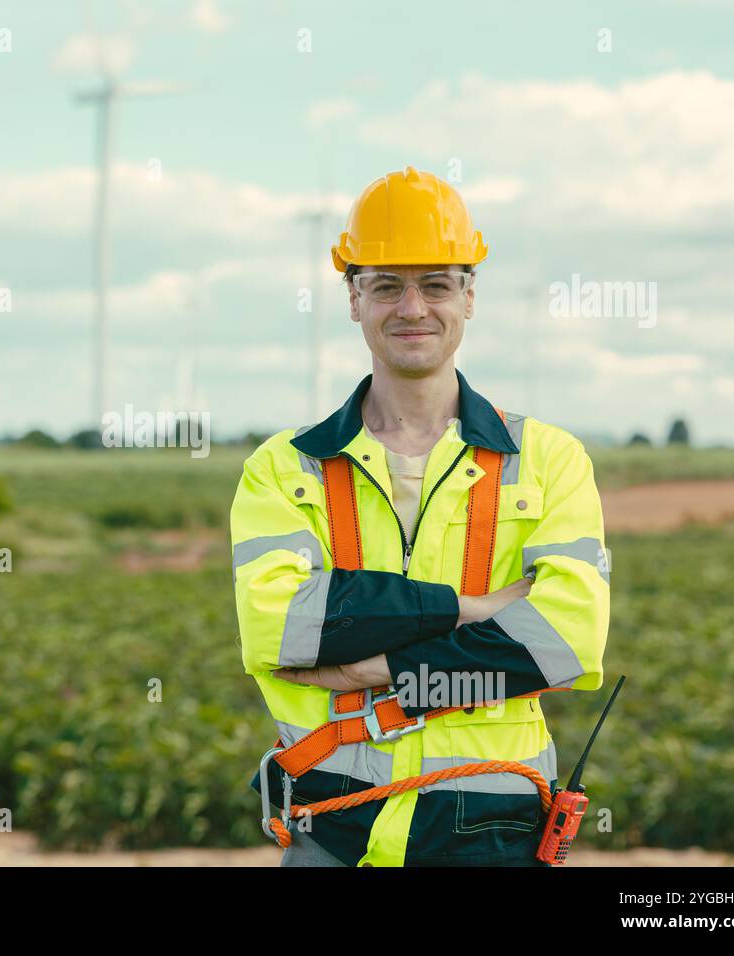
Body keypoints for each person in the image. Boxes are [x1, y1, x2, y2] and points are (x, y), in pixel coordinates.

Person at [229, 167, 610, 867]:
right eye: (386, 285)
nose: (413, 307)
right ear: (353, 298)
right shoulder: (285, 466)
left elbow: (565, 641)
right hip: (332, 819)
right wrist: (475, 608)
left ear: (469, 296)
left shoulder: (550, 459)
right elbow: (282, 627)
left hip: (488, 820)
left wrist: (377, 667)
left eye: (435, 283)